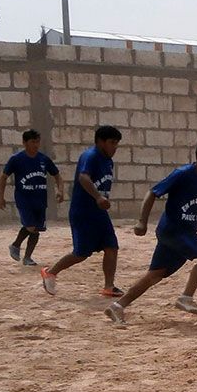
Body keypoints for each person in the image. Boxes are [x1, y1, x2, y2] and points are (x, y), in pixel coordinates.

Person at [105, 140, 197, 325]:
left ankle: (117, 306)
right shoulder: (182, 174)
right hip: (174, 231)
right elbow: (152, 193)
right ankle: (186, 297)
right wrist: (142, 221)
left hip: (182, 234)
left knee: (155, 275)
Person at [40, 126, 124, 297]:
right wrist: (98, 197)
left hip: (99, 213)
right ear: (100, 142)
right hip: (83, 212)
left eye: (117, 143)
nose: (114, 147)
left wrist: (101, 201)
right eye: (112, 143)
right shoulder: (90, 156)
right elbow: (83, 177)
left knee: (111, 247)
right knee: (81, 253)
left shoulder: (108, 161)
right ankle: (51, 272)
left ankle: (109, 286)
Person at [0, 129, 64, 266]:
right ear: (24, 142)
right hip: (24, 198)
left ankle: (28, 257)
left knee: (37, 229)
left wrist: (60, 190)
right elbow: (3, 178)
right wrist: (0, 197)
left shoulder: (43, 159)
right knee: (30, 226)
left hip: (40, 199)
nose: (36, 145)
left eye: (37, 142)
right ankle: (15, 245)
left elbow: (57, 175)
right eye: (33, 142)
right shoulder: (16, 159)